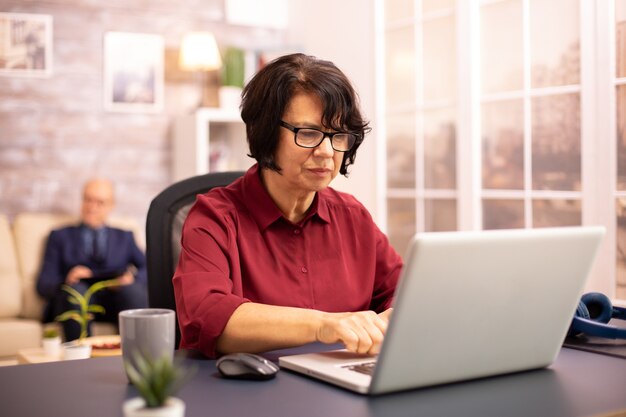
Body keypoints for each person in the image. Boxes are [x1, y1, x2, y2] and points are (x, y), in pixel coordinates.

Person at [173, 53, 403, 359]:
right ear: (266, 132)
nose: (326, 152)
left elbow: (403, 291)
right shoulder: (214, 217)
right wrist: (324, 325)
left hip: (341, 394)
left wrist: (397, 316)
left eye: (339, 135)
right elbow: (207, 318)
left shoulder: (353, 216)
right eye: (308, 133)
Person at [37, 178, 148, 341]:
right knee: (76, 292)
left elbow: (149, 267)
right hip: (75, 303)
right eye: (88, 199)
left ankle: (142, 358)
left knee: (134, 291)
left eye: (100, 202)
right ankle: (81, 361)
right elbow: (43, 284)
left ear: (111, 206)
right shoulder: (60, 236)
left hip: (113, 303)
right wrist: (67, 280)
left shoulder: (124, 237)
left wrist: (131, 278)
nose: (91, 207)